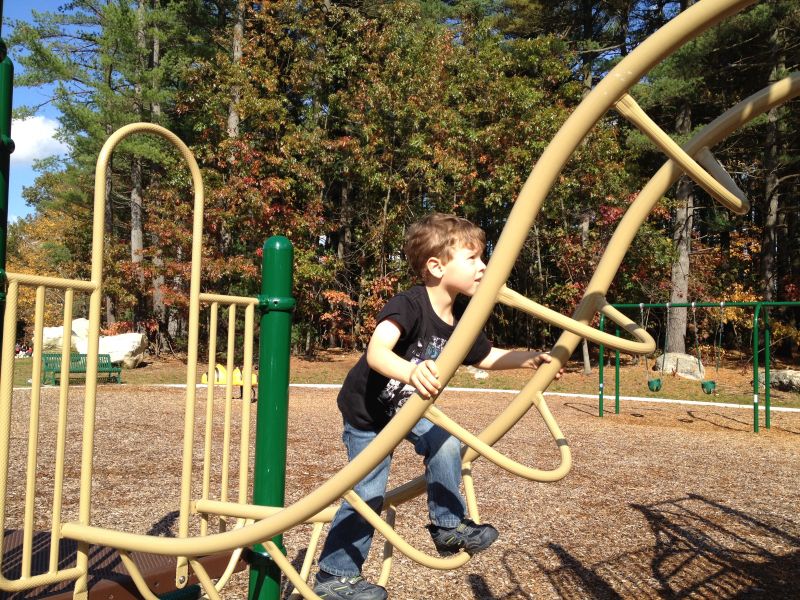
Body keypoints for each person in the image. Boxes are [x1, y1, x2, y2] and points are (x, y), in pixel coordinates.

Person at [314, 213, 563, 600]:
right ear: (436, 266)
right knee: (368, 491)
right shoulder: (409, 304)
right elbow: (377, 351)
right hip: (368, 414)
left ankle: (448, 527)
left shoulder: (461, 319)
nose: (483, 267)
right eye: (473, 258)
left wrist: (529, 358)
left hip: (409, 408)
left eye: (483, 258)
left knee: (445, 442)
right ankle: (334, 575)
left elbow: (485, 356)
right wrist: (411, 372)